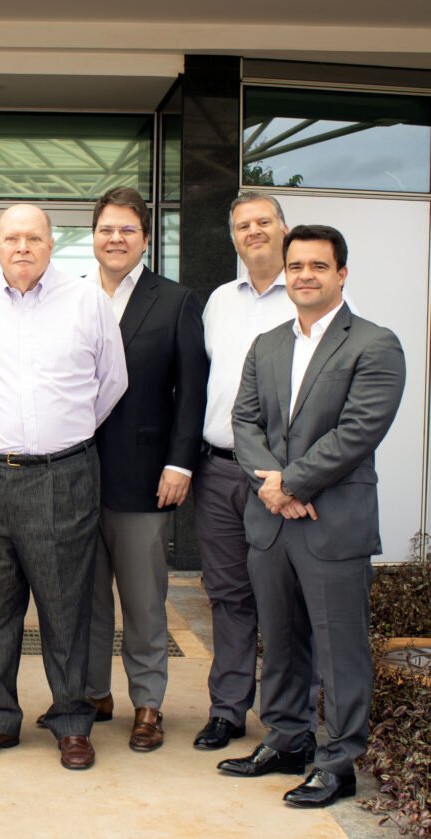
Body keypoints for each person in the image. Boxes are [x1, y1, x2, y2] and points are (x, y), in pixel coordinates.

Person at [220, 224, 404, 808]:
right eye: (296, 266)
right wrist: (272, 488)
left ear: (341, 274)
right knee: (280, 640)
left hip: (333, 522)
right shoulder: (267, 344)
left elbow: (358, 431)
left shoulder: (375, 344)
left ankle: (339, 762)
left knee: (339, 648)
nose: (305, 275)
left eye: (318, 266)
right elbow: (244, 421)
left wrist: (290, 483)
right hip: (272, 523)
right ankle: (287, 739)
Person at [0, 203, 127, 770]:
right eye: (11, 238)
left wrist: (59, 436)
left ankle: (72, 722)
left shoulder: (87, 301)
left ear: (52, 244)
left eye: (33, 238)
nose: (22, 247)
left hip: (62, 476)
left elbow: (111, 382)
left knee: (65, 604)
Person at [82, 187, 207, 751]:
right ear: (93, 237)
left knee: (143, 600)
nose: (116, 239)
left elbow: (191, 392)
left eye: (127, 230)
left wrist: (180, 462)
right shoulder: (71, 296)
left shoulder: (176, 301)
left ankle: (148, 703)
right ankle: (92, 694)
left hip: (145, 476)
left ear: (146, 239)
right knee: (84, 600)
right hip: (75, 476)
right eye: (107, 229)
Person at [192, 193, 300, 751]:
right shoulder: (219, 301)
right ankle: (228, 710)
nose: (253, 231)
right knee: (228, 594)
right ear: (233, 236)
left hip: (279, 480)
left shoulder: (307, 294)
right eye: (242, 225)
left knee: (282, 599)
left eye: (263, 222)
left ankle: (287, 720)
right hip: (218, 471)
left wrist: (294, 476)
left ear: (283, 228)